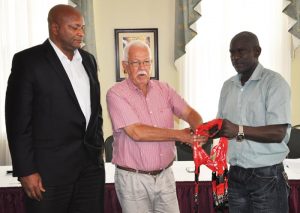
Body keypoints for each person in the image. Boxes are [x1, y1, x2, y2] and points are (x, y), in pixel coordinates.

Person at [5, 4, 105, 213]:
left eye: (83, 27)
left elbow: (95, 112)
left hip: (90, 172)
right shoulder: (28, 61)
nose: (81, 33)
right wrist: (26, 171)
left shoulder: (88, 60)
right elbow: (17, 122)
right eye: (74, 27)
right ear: (55, 28)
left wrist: (98, 152)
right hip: (47, 174)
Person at [106, 40, 205, 213]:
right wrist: (180, 135)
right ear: (125, 66)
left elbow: (189, 113)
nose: (142, 67)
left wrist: (199, 131)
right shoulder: (116, 94)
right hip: (133, 180)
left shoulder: (164, 89)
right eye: (136, 62)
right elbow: (137, 132)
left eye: (146, 61)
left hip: (165, 176)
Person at [217, 31, 291, 213]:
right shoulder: (228, 86)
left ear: (257, 51)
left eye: (241, 51)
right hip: (235, 174)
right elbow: (222, 126)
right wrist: (199, 133)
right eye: (231, 52)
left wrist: (238, 130)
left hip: (267, 176)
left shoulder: (274, 83)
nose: (235, 57)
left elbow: (278, 133)